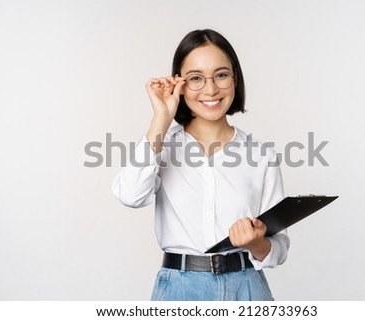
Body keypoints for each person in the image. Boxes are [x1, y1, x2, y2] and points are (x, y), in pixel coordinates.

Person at [112, 29, 290, 301]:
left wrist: (256, 243)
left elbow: (279, 248)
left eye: (221, 75)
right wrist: (162, 118)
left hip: (248, 288)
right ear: (179, 84)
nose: (211, 89)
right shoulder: (160, 144)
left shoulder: (261, 155)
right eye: (196, 78)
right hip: (180, 289)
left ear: (235, 78)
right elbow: (130, 195)